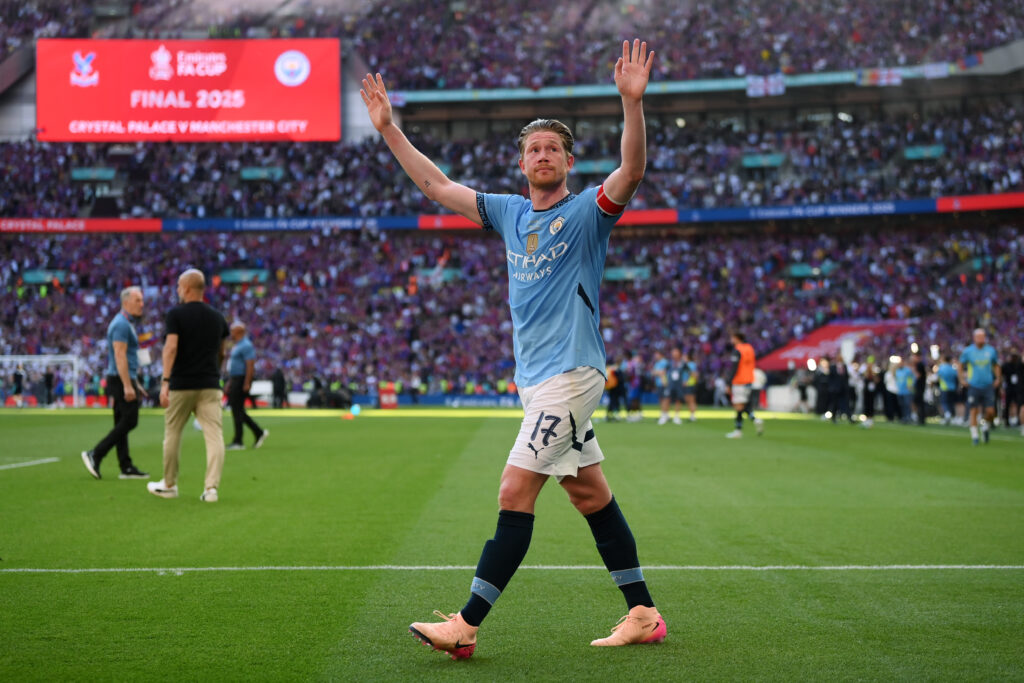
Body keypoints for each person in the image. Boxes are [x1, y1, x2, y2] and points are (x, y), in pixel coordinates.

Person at [361, 39, 665, 659]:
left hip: (571, 374)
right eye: (534, 149)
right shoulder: (505, 213)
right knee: (589, 494)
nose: (543, 154)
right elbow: (436, 186)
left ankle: (466, 624)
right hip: (537, 380)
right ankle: (642, 611)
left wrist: (632, 105)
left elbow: (631, 172)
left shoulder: (587, 213)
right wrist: (390, 130)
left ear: (568, 162)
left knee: (512, 491)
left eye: (553, 147)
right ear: (522, 164)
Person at [148, 269, 230, 502]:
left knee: (173, 433)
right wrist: (214, 371)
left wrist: (165, 380)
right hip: (210, 384)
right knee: (214, 436)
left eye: (178, 287)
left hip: (182, 383)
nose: (177, 291)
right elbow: (222, 352)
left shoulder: (175, 315)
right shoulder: (217, 317)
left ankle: (169, 484)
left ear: (186, 288)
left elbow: (171, 347)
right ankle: (211, 489)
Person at [80, 286, 149, 480]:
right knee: (130, 420)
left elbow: (124, 356)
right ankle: (96, 453)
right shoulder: (121, 325)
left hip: (122, 377)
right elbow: (119, 355)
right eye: (138, 300)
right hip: (120, 379)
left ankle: (125, 466)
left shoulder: (124, 323)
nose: (142, 304)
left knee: (121, 421)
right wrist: (128, 385)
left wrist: (134, 382)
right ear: (126, 302)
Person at [225, 321, 268, 451]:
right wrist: (230, 382)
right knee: (237, 410)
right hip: (235, 379)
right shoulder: (238, 345)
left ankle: (239, 440)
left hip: (241, 379)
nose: (231, 333)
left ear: (239, 331)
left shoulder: (246, 345)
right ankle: (257, 432)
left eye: (232, 330)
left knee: (237, 409)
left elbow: (250, 365)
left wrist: (247, 382)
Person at [959, 328, 1000, 445]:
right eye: (979, 337)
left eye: (983, 336)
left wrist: (998, 378)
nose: (981, 339)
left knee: (991, 411)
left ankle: (985, 426)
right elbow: (961, 365)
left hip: (988, 385)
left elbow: (996, 365)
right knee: (974, 410)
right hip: (974, 385)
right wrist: (962, 379)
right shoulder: (968, 351)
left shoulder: (991, 351)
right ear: (974, 338)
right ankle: (975, 436)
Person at [725, 331, 762, 438]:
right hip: (749, 380)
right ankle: (754, 419)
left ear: (737, 338)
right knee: (743, 404)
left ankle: (738, 430)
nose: (731, 340)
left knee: (738, 406)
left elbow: (734, 368)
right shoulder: (750, 348)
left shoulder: (738, 350)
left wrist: (729, 383)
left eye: (732, 338)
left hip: (739, 381)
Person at [936, 355, 959, 424]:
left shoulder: (941, 367)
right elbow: (956, 377)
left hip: (944, 387)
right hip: (952, 388)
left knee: (944, 402)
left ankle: (947, 415)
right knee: (951, 403)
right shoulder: (952, 368)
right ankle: (953, 416)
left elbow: (938, 377)